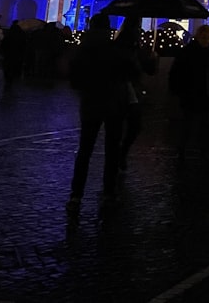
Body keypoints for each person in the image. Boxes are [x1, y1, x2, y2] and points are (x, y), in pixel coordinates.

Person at [66, 14, 134, 219]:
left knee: (85, 150)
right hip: (113, 104)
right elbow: (129, 73)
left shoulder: (83, 50)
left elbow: (74, 78)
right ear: (108, 30)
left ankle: (76, 195)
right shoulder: (115, 50)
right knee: (112, 149)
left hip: (90, 104)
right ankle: (108, 192)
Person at [113, 17, 157, 171]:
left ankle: (121, 152)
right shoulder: (123, 47)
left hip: (133, 90)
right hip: (122, 89)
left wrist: (152, 60)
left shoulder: (137, 47)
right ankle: (118, 154)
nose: (139, 31)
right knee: (127, 125)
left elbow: (149, 70)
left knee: (133, 125)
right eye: (137, 27)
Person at [169, 24, 209, 167]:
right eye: (204, 38)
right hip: (190, 92)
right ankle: (183, 149)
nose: (206, 41)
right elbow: (177, 72)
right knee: (189, 123)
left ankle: (201, 150)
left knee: (203, 124)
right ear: (198, 37)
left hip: (203, 93)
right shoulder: (189, 52)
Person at [1, 21, 26, 90]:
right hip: (16, 55)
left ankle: (8, 79)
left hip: (8, 54)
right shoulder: (21, 36)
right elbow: (24, 45)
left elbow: (3, 44)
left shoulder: (8, 36)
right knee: (13, 67)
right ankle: (11, 79)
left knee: (8, 67)